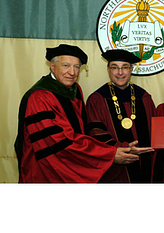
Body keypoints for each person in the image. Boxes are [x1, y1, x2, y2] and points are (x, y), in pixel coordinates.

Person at [14, 44, 140, 183]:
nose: (72, 72)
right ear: (52, 65)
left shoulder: (75, 90)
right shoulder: (39, 98)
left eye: (76, 67)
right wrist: (110, 154)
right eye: (66, 65)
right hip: (45, 172)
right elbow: (58, 143)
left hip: (70, 167)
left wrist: (114, 149)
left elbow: (82, 132)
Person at [86, 49, 155, 183]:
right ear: (108, 69)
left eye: (125, 67)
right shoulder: (97, 99)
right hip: (115, 168)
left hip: (145, 165)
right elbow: (96, 133)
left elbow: (155, 129)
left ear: (131, 69)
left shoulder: (144, 97)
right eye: (115, 67)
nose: (120, 72)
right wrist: (121, 148)